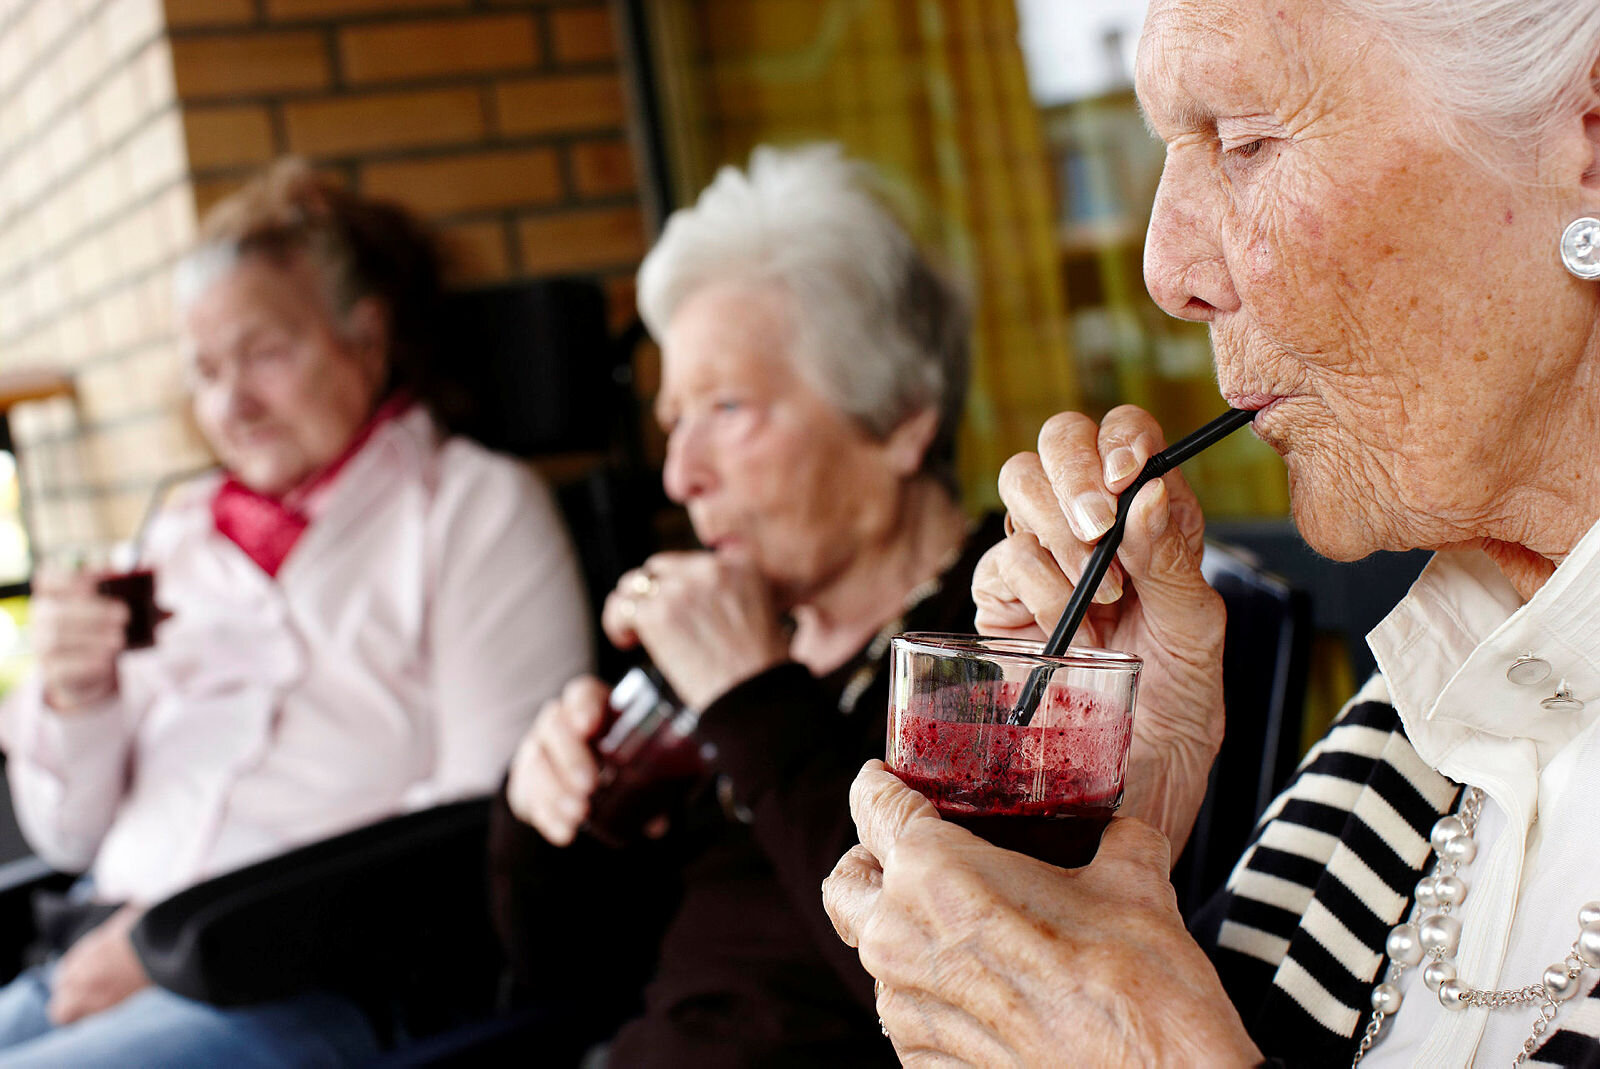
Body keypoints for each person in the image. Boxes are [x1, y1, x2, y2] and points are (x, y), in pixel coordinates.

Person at [823, 0, 1600, 1065]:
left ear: (1590, 140)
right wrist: (1089, 850)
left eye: (1241, 142)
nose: (1162, 269)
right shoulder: (1422, 726)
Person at [0, 159, 593, 1067]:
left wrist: (176, 943)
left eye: (265, 354)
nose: (231, 404)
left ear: (365, 337)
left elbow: (486, 827)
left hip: (310, 982)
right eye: (205, 371)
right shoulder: (172, 538)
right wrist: (77, 698)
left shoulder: (467, 510)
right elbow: (68, 833)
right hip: (88, 952)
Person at [490, 143, 995, 1067]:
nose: (682, 476)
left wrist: (753, 700)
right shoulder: (746, 632)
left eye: (728, 409)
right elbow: (559, 972)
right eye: (674, 421)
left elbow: (961, 994)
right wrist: (547, 810)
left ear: (899, 417)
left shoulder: (1002, 626)